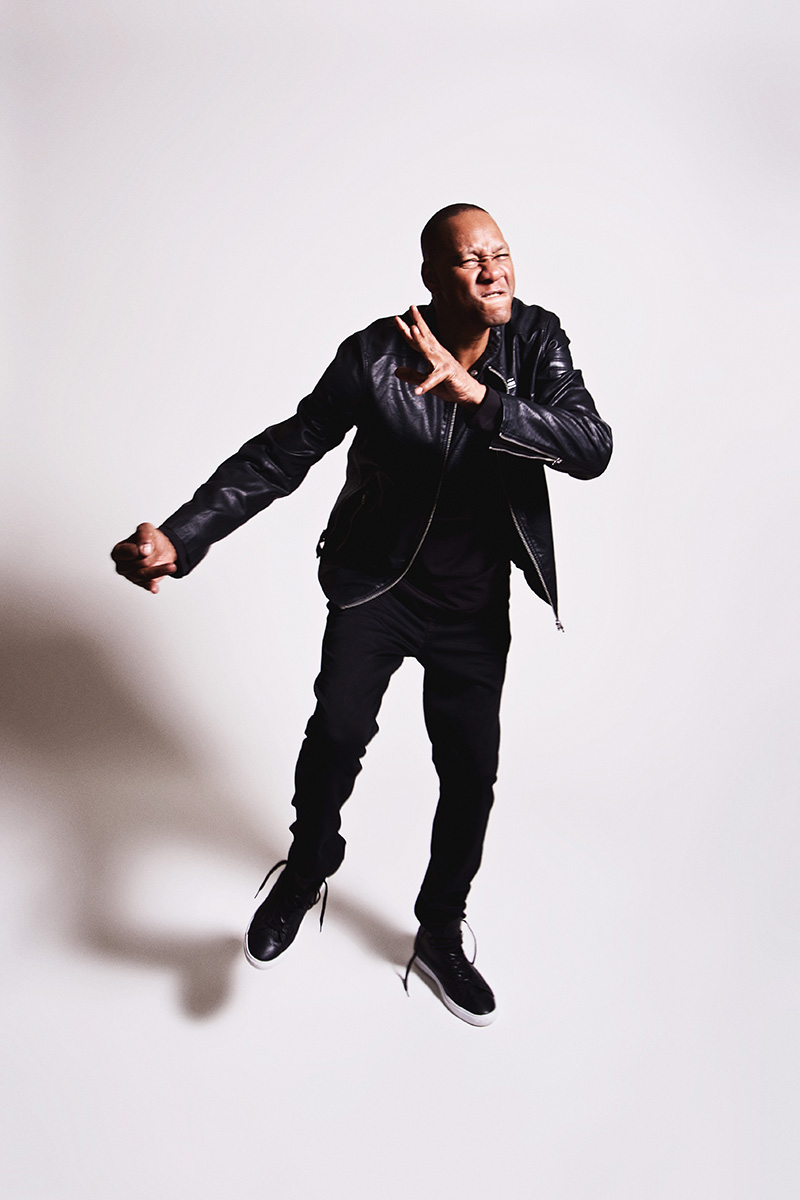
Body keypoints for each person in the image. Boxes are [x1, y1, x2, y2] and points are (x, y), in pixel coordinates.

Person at [111, 204, 612, 1026]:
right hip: (378, 587)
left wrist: (480, 398)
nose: (493, 271)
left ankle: (440, 928)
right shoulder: (374, 356)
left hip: (472, 606)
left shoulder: (536, 340)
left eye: (501, 253)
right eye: (470, 260)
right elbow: (284, 453)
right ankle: (307, 871)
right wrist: (181, 536)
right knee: (337, 734)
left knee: (470, 773)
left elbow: (591, 447)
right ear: (432, 277)